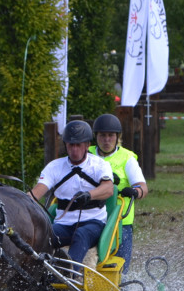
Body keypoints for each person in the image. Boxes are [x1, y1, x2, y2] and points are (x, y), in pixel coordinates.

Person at [30, 120, 114, 265]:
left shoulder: (100, 165)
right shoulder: (54, 167)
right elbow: (36, 193)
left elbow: (108, 189)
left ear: (87, 145)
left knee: (81, 234)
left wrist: (89, 195)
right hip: (64, 223)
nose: (74, 150)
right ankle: (42, 275)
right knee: (45, 237)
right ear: (65, 145)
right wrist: (17, 202)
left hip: (93, 222)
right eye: (71, 145)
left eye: (78, 145)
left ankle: (71, 275)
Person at [90, 113, 148, 275]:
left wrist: (135, 192)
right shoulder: (87, 154)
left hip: (120, 222)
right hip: (90, 217)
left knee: (118, 269)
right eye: (102, 136)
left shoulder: (127, 158)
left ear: (117, 138)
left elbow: (143, 187)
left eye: (111, 136)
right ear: (96, 137)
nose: (106, 140)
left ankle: (121, 288)